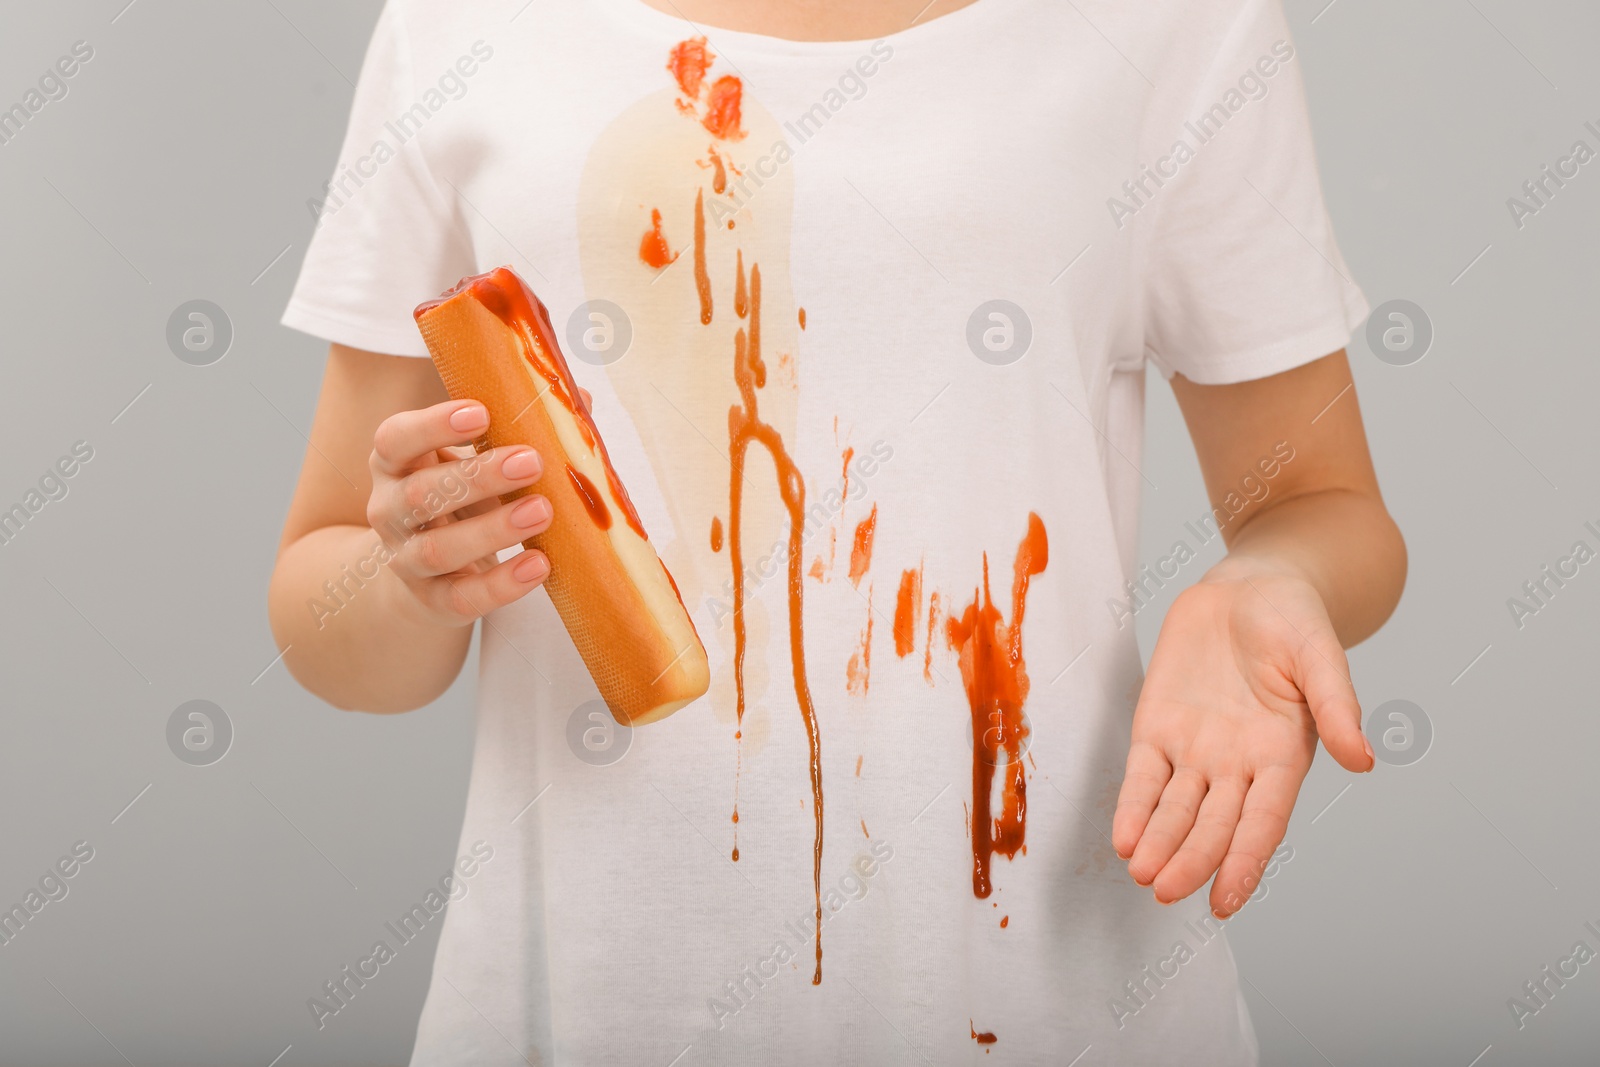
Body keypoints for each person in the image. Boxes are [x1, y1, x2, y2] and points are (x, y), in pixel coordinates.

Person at [268, 0, 1405, 1062]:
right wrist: (411, 575)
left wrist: (1260, 577)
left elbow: (1324, 505)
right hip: (592, 998)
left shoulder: (1176, 25)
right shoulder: (460, 27)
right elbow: (323, 602)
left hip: (1044, 984)